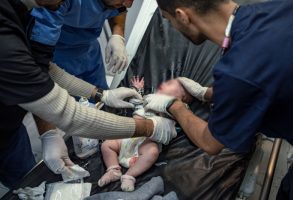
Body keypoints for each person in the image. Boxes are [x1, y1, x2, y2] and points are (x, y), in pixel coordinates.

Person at [0, 0, 176, 189]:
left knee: (24, 182)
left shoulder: (19, 12)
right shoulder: (6, 43)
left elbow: (43, 68)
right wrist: (150, 127)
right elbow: (68, 113)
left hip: (9, 128)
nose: (63, 5)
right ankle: (114, 170)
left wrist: (101, 95)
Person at [143, 0, 293, 199]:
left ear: (183, 16)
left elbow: (211, 143)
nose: (172, 27)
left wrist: (173, 105)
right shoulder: (282, 8)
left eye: (169, 19)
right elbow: (267, 72)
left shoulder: (236, 72)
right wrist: (205, 93)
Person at [99, 76, 192, 191]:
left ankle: (130, 175)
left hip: (145, 143)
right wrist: (137, 90)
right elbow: (137, 103)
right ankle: (113, 169)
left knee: (152, 151)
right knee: (107, 145)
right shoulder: (150, 100)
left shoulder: (176, 110)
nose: (164, 85)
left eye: (170, 86)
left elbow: (180, 122)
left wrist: (176, 109)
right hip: (129, 137)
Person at [28, 0, 132, 92]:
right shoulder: (56, 3)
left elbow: (120, 8)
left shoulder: (116, 3)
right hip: (58, 54)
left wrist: (118, 35)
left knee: (103, 99)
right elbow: (39, 62)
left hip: (89, 53)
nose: (129, 4)